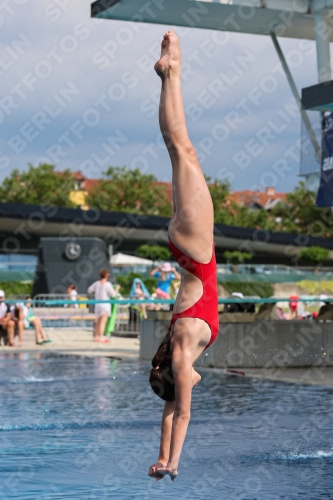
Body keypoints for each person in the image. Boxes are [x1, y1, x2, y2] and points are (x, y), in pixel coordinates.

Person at [148, 31, 219, 482]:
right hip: (184, 250)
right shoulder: (177, 351)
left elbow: (182, 416)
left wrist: (172, 464)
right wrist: (160, 459)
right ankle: (168, 75)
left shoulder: (183, 358)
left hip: (196, 250)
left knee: (183, 147)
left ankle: (171, 73)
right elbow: (171, 413)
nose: (194, 382)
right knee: (176, 149)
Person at [87, 269, 120, 342]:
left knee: (98, 321)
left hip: (97, 304)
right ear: (106, 275)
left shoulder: (96, 283)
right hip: (105, 304)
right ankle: (101, 336)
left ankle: (96, 336)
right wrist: (117, 289)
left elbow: (89, 290)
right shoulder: (107, 284)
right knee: (103, 321)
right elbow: (113, 295)